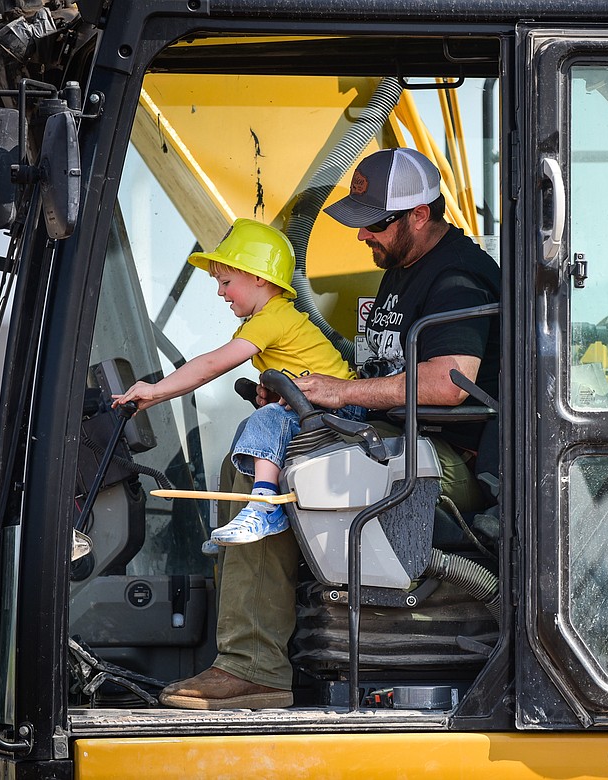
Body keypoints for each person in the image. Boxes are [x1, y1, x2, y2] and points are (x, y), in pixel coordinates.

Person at [158, 148, 499, 709]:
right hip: (401, 441)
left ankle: (254, 667)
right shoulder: (401, 271)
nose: (363, 236)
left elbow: (447, 383)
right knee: (257, 454)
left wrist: (341, 393)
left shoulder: (458, 278)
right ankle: (267, 656)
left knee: (276, 469)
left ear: (419, 215)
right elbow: (381, 371)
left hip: (450, 463)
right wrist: (304, 387)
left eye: (375, 223)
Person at [113, 218, 362, 550]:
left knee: (266, 418)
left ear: (259, 278)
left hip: (343, 413)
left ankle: (265, 509)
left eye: (226, 281)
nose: (220, 292)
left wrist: (155, 391)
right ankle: (249, 509)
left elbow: (210, 366)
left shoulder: (273, 318)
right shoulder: (271, 318)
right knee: (252, 422)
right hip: (323, 412)